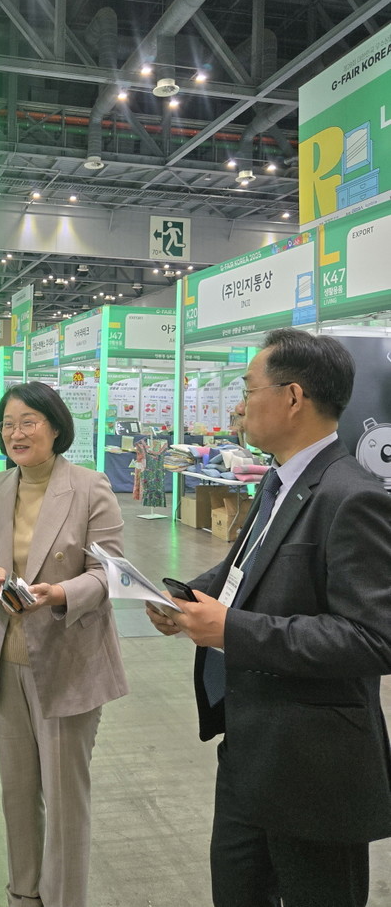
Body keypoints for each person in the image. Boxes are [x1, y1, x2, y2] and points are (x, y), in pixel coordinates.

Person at [146, 328, 391, 907]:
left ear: (293, 397)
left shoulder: (351, 496)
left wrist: (231, 630)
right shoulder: (280, 481)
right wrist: (189, 597)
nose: (239, 406)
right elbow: (246, 568)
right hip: (249, 751)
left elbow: (373, 638)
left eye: (248, 389)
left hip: (315, 769)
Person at [0, 380, 128, 907]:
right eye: (7, 424)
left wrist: (60, 594)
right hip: (4, 662)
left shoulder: (89, 487)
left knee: (64, 801)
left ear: (55, 427)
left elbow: (109, 573)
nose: (16, 433)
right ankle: (23, 896)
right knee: (16, 794)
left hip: (67, 665)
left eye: (28, 422)